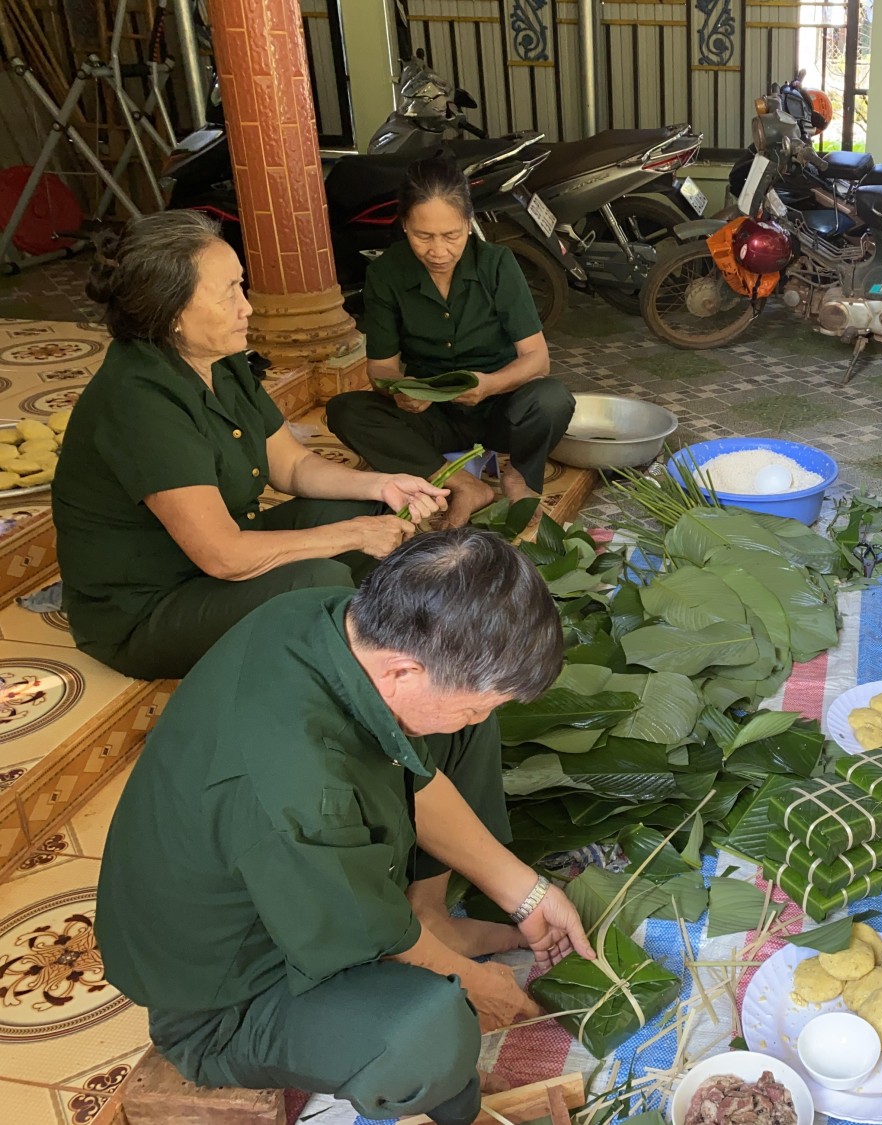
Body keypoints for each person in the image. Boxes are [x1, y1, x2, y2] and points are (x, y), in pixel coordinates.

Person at [96, 529, 594, 1125]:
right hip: (226, 996)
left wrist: (526, 892)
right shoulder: (302, 792)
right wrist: (470, 984)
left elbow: (405, 765)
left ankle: (432, 916)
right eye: (478, 700)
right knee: (431, 1034)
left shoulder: (329, 616)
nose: (481, 714)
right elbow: (370, 935)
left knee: (456, 725)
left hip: (299, 879)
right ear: (404, 670)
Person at [52, 210, 447, 681]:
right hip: (149, 609)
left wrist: (384, 485)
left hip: (214, 567)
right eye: (229, 294)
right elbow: (224, 555)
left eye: (242, 286)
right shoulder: (140, 400)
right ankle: (346, 664)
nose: (247, 307)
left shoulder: (220, 362)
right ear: (173, 312)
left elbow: (293, 465)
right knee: (316, 577)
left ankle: (367, 645)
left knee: (372, 513)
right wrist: (355, 535)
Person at [326, 152, 575, 529]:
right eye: (423, 236)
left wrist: (488, 385)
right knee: (346, 410)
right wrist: (399, 391)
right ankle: (463, 484)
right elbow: (381, 367)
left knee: (552, 399)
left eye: (452, 235)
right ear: (405, 224)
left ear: (469, 222)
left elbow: (537, 359)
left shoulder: (497, 264)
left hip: (499, 409)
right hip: (431, 416)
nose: (438, 251)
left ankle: (521, 475)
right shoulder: (386, 274)